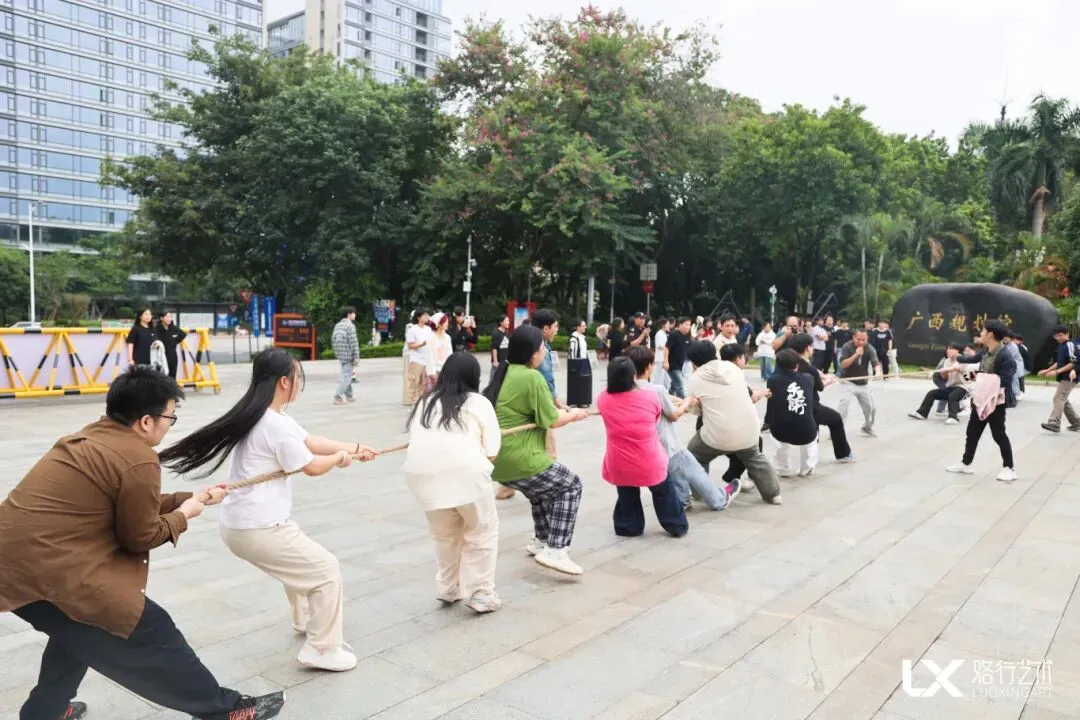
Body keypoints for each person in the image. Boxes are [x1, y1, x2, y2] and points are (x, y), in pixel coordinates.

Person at [0, 366, 286, 720]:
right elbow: (140, 536)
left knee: (78, 630)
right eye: (170, 417)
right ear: (147, 421)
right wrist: (186, 514)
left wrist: (188, 498)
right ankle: (224, 711)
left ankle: (45, 713)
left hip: (15, 564)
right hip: (46, 569)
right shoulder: (138, 458)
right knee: (152, 630)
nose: (170, 425)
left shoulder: (90, 437)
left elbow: (127, 500)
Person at [158, 348, 377, 673]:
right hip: (258, 527)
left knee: (302, 565)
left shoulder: (266, 415)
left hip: (245, 524)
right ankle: (322, 648)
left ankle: (306, 621)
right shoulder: (274, 424)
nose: (300, 383)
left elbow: (310, 441)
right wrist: (339, 459)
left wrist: (353, 448)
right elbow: (311, 466)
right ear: (285, 381)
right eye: (299, 376)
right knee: (325, 571)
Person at [484, 325, 590, 575]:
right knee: (571, 485)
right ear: (533, 353)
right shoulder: (531, 377)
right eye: (543, 348)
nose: (545, 351)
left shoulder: (504, 372)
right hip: (520, 458)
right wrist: (574, 414)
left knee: (540, 491)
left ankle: (541, 541)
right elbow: (552, 420)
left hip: (498, 462)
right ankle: (556, 549)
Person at [404, 352, 502, 613]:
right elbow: (492, 452)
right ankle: (480, 593)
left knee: (444, 535)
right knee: (481, 531)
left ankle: (448, 588)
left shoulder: (425, 402)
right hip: (468, 474)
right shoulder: (479, 403)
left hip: (422, 476)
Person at [623, 346, 739, 511]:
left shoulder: (626, 389)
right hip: (666, 443)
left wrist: (681, 400)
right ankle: (719, 499)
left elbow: (664, 399)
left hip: (647, 446)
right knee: (694, 469)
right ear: (649, 366)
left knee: (675, 470)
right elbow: (673, 415)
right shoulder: (656, 390)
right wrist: (687, 402)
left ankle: (682, 499)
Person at [597, 357, 689, 537]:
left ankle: (628, 526)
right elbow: (656, 417)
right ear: (634, 377)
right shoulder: (650, 396)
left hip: (619, 462)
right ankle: (676, 525)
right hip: (649, 461)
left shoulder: (603, 398)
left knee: (626, 492)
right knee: (664, 492)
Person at [685, 340, 782, 505]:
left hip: (717, 435)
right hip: (749, 431)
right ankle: (773, 495)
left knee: (694, 455)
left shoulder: (695, 378)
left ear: (694, 362)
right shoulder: (733, 368)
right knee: (754, 457)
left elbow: (696, 411)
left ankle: (700, 492)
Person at [943, 320, 1017, 481]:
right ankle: (966, 463)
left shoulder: (1005, 356)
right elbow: (972, 363)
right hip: (980, 399)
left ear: (990, 334)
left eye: (983, 331)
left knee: (998, 434)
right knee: (972, 433)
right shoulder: (985, 352)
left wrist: (976, 377)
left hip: (995, 402)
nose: (981, 334)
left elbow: (1004, 381)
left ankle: (1009, 468)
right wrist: (957, 362)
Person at [781, 334, 856, 463]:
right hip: (811, 406)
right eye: (811, 346)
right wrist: (830, 380)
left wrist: (823, 375)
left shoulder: (788, 362)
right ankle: (843, 454)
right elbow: (820, 386)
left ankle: (811, 456)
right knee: (836, 419)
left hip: (792, 403)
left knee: (815, 427)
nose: (813, 348)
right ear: (806, 348)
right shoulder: (808, 369)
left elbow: (814, 371)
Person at [767, 348, 819, 477]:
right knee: (811, 443)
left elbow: (772, 404)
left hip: (781, 430)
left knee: (779, 444)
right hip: (807, 429)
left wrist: (767, 421)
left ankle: (783, 468)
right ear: (797, 364)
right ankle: (807, 468)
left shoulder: (773, 380)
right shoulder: (809, 378)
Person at [907, 344, 969, 424]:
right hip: (951, 386)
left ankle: (953, 418)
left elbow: (956, 368)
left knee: (953, 395)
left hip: (963, 387)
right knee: (932, 393)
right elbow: (945, 377)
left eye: (951, 349)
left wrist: (946, 369)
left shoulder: (963, 359)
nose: (948, 351)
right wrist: (943, 372)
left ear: (958, 351)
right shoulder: (947, 361)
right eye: (947, 349)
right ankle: (922, 413)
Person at [837, 329, 881, 437]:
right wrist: (856, 355)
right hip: (847, 382)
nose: (861, 342)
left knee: (871, 408)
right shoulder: (847, 347)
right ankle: (837, 430)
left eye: (863, 339)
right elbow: (843, 364)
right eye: (858, 339)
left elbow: (875, 362)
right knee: (844, 405)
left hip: (863, 384)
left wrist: (878, 372)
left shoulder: (870, 348)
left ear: (867, 339)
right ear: (853, 338)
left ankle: (867, 427)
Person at [1037, 325, 1080, 433]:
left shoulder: (1070, 345)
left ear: (1067, 334)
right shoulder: (1061, 346)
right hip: (1064, 376)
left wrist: (1056, 372)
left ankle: (1054, 423)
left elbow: (1073, 363)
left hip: (1070, 377)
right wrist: (1047, 370)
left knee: (1058, 398)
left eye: (1060, 335)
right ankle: (1077, 423)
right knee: (1063, 400)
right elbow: (1059, 363)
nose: (1058, 338)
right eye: (1056, 336)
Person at [403, 308, 434, 406]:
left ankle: (420, 403)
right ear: (418, 317)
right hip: (416, 360)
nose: (426, 317)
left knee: (423, 384)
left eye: (427, 315)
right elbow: (410, 346)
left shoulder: (428, 329)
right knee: (413, 382)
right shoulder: (413, 330)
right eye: (424, 315)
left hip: (426, 359)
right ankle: (413, 402)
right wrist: (422, 344)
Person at [331, 306, 360, 406]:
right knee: (346, 376)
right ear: (349, 314)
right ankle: (337, 397)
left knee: (347, 374)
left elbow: (333, 339)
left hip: (341, 354)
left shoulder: (338, 325)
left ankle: (349, 396)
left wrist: (337, 353)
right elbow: (353, 342)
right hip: (348, 354)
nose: (355, 315)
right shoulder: (350, 326)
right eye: (353, 313)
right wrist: (356, 356)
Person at [566, 318, 593, 408]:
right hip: (577, 363)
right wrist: (573, 364)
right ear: (578, 327)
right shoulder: (574, 338)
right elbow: (572, 352)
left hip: (584, 362)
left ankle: (583, 400)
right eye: (583, 326)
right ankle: (577, 400)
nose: (585, 327)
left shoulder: (582, 337)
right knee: (576, 381)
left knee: (584, 381)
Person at [154, 311, 187, 380]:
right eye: (167, 317)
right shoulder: (156, 329)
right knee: (161, 377)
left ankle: (172, 386)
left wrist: (174, 342)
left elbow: (183, 334)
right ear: (161, 318)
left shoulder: (174, 328)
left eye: (170, 317)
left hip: (172, 356)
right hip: (160, 357)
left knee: (172, 376)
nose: (169, 319)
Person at [666, 317, 692, 398]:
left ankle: (669, 395)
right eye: (686, 324)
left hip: (681, 364)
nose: (688, 327)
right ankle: (683, 400)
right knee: (680, 384)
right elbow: (666, 348)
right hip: (673, 365)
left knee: (675, 384)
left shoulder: (687, 336)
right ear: (680, 325)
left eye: (689, 325)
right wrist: (665, 362)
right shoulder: (674, 335)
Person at [429, 312, 454, 385]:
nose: (447, 324)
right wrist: (432, 372)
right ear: (439, 323)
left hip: (446, 369)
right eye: (446, 322)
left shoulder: (447, 337)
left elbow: (450, 353)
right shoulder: (431, 337)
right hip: (435, 370)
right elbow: (429, 356)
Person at [651, 318, 671, 390]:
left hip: (663, 358)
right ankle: (656, 390)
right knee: (659, 377)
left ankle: (668, 390)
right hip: (660, 358)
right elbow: (659, 346)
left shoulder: (663, 334)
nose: (669, 326)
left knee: (665, 377)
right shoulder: (659, 333)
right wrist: (668, 349)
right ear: (663, 325)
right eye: (668, 324)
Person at [490, 315, 511, 382]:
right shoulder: (496, 333)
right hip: (498, 363)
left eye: (508, 321)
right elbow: (494, 348)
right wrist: (495, 361)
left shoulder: (507, 333)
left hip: (505, 362)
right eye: (506, 321)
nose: (508, 322)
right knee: (494, 381)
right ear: (501, 322)